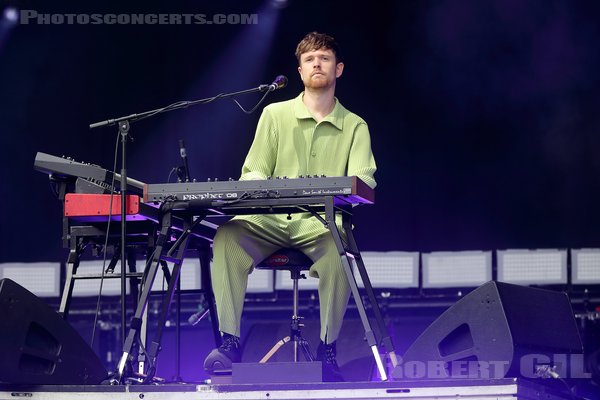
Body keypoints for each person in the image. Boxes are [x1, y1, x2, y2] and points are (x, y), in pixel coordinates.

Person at [203, 31, 377, 381]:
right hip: (268, 221)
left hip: (319, 223)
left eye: (324, 58)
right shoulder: (274, 114)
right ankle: (229, 342)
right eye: (310, 59)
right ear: (299, 70)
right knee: (227, 236)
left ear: (338, 69)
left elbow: (365, 181)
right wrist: (255, 189)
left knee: (338, 248)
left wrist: (340, 190)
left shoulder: (355, 125)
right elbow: (253, 171)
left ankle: (328, 348)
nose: (317, 63)